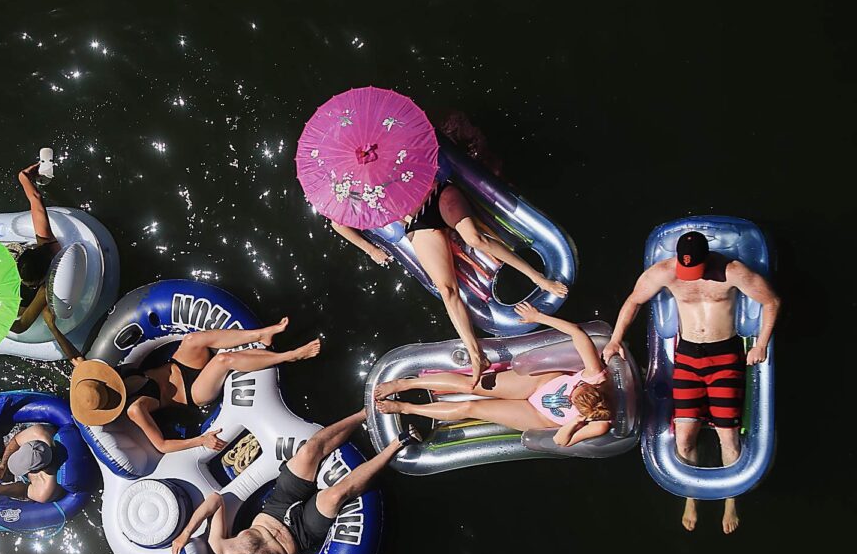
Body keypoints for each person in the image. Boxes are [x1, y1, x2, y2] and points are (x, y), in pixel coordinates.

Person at [602, 230, 780, 534]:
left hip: (725, 355)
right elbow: (633, 301)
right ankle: (691, 497)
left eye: (695, 269)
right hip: (686, 356)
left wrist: (761, 344)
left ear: (707, 257)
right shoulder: (665, 272)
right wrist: (616, 339)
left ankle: (729, 500)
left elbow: (771, 301)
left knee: (728, 437)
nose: (690, 276)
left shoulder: (732, 271)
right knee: (684, 436)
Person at [329, 157, 568, 383]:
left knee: (475, 239)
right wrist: (370, 249)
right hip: (417, 223)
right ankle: (476, 354)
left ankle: (539, 278)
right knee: (446, 290)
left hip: (437, 195)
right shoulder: (351, 188)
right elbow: (337, 223)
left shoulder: (388, 153)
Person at [168, 411, 418, 554]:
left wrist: (186, 533)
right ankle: (399, 443)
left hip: (277, 506)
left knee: (309, 451)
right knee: (334, 496)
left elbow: (215, 500)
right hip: (302, 533)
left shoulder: (220, 546)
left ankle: (364, 413)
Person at [65, 318, 321, 454]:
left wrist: (79, 364)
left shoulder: (112, 376)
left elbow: (83, 364)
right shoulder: (135, 410)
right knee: (223, 360)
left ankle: (261, 334)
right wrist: (201, 441)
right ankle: (289, 356)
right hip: (194, 392)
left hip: (179, 364)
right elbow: (162, 445)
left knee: (193, 339)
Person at [373, 302, 614, 447]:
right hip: (542, 384)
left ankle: (406, 408)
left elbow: (561, 441)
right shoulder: (595, 376)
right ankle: (405, 383)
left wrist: (575, 422)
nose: (573, 391)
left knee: (470, 409)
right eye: (577, 389)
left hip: (540, 416)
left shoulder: (599, 424)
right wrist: (538, 317)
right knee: (471, 385)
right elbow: (578, 335)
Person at [11, 161, 66, 339]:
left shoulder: (44, 289)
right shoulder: (46, 242)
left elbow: (20, 326)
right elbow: (35, 198)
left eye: (30, 284)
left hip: (25, 299)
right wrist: (24, 177)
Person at [0, 425, 65, 504]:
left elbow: (25, 491)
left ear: (34, 470)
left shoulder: (45, 489)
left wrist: (0, 490)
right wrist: (2, 467)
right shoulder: (40, 433)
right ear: (30, 443)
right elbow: (16, 441)